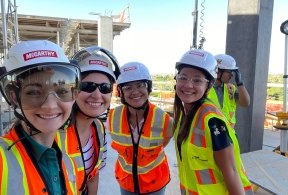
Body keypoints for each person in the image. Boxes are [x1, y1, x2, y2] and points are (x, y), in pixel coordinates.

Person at [0, 40, 81, 194]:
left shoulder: (67, 155)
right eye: (33, 92)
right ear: (14, 98)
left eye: (62, 91)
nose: (50, 105)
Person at [173, 49, 253, 195]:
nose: (188, 85)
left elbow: (232, 173)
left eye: (197, 80)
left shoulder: (212, 119)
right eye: (183, 78)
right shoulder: (184, 114)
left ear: (207, 85)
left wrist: (240, 83)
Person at [56, 46, 120, 195]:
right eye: (87, 86)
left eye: (105, 87)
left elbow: (92, 176)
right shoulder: (52, 131)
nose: (97, 95)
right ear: (72, 88)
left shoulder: (98, 128)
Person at [107, 62, 174, 195]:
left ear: (148, 87)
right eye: (127, 87)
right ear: (121, 92)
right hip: (127, 182)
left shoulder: (164, 119)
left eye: (140, 85)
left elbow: (164, 142)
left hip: (155, 183)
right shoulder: (113, 117)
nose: (135, 92)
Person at [208, 54, 250, 127]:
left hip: (228, 134)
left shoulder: (231, 89)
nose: (232, 75)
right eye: (229, 72)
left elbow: (245, 103)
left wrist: (240, 83)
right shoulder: (205, 88)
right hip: (210, 132)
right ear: (218, 72)